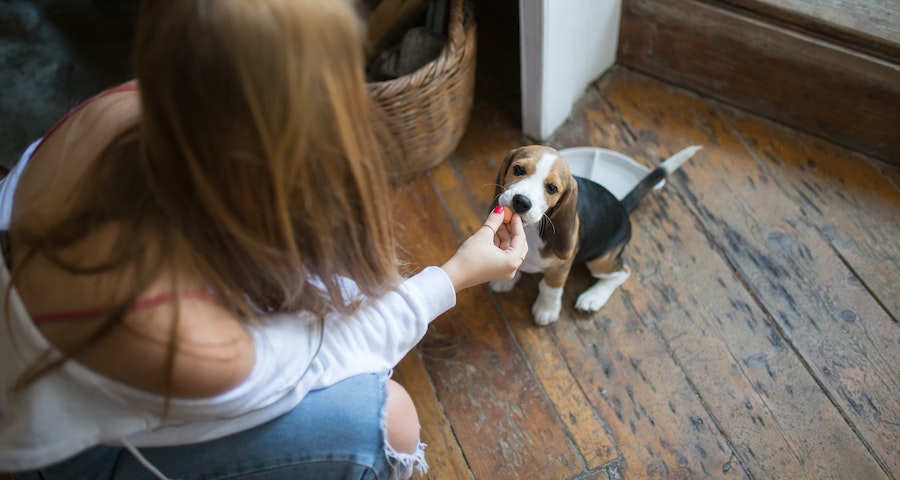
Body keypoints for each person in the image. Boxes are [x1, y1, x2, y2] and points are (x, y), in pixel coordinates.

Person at [0, 0, 527, 479]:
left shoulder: (136, 105)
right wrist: (455, 274)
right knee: (391, 421)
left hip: (56, 366)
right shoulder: (192, 341)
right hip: (69, 451)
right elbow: (330, 355)